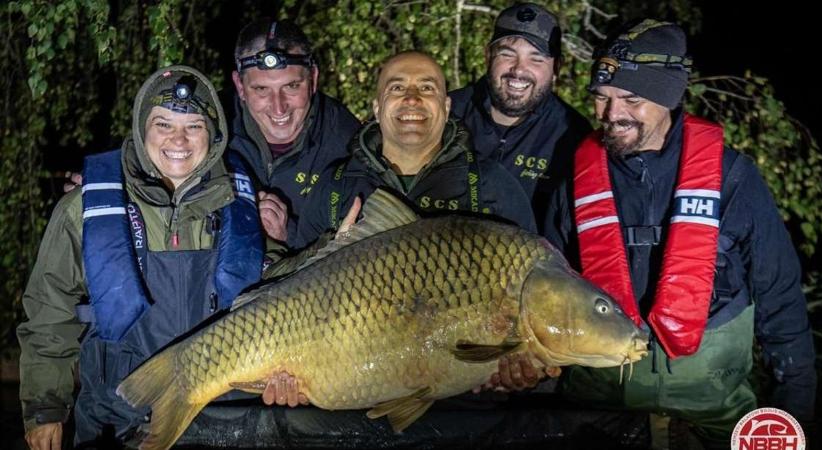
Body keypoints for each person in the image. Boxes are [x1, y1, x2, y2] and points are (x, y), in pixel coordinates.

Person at [542, 19, 816, 448]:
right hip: (599, 413)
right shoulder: (573, 182)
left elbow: (780, 296)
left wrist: (793, 411)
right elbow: (543, 295)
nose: (612, 115)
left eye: (631, 98)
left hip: (714, 411)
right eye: (601, 98)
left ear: (668, 97)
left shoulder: (733, 178)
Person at [17, 66, 264, 449]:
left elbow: (281, 297)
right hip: (117, 423)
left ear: (214, 135)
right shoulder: (82, 209)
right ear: (140, 128)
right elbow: (50, 312)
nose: (178, 139)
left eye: (194, 126)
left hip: (228, 420)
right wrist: (45, 408)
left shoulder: (243, 207)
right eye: (163, 124)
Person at [294, 51, 536, 249]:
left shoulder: (493, 187)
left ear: (447, 106)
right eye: (397, 88)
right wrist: (328, 253)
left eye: (427, 88)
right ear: (377, 109)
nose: (412, 99)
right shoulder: (334, 186)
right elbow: (288, 283)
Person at [449, 2, 592, 234]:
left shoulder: (573, 136)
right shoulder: (445, 113)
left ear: (557, 68)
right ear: (488, 56)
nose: (518, 70)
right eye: (507, 54)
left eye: (536, 59)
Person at [230, 18, 361, 247]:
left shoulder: (348, 143)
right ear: (240, 87)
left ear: (313, 80)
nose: (279, 107)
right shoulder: (209, 129)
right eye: (261, 89)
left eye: (291, 86)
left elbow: (359, 255)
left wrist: (287, 236)